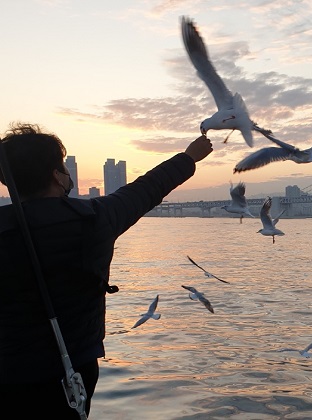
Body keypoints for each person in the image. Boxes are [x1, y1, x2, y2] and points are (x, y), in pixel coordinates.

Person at [0, 123, 213, 418]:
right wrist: (189, 157)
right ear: (57, 175)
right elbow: (147, 188)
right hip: (74, 368)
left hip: (9, 372)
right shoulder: (94, 218)